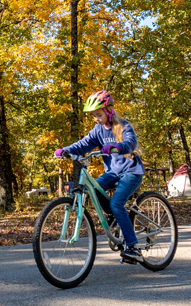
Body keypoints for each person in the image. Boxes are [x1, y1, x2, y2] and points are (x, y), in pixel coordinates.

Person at [54, 90, 146, 264]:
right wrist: (66, 150)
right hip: (113, 172)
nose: (96, 118)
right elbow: (83, 144)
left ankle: (133, 247)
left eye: (98, 114)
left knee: (116, 203)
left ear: (109, 110)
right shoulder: (97, 130)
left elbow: (130, 142)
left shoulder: (124, 126)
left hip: (131, 171)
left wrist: (117, 147)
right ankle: (114, 216)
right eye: (93, 116)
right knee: (93, 189)